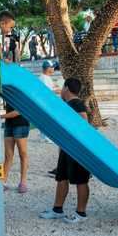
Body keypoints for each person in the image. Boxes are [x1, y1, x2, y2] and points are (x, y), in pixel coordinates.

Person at [40, 78, 92, 223]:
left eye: (62, 88)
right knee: (61, 177)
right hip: (67, 148)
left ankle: (81, 213)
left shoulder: (77, 103)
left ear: (67, 88)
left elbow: (84, 123)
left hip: (78, 148)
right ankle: (57, 209)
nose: (61, 91)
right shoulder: (67, 104)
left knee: (81, 180)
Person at [1, 101, 29, 193]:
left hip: (21, 123)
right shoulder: (8, 91)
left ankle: (23, 182)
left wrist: (0, 116)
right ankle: (3, 181)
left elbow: (18, 111)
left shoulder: (23, 91)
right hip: (9, 124)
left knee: (22, 154)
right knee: (8, 155)